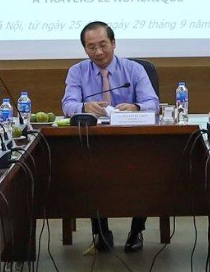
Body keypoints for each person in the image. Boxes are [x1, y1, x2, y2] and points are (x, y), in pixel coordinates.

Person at [64, 21, 161, 250]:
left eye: (103, 45)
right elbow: (68, 105)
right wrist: (84, 107)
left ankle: (136, 231)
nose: (98, 52)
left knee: (145, 171)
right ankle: (101, 232)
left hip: (133, 142)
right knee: (87, 171)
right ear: (85, 49)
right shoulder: (77, 71)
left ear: (114, 43)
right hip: (94, 143)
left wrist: (136, 107)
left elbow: (153, 103)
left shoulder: (134, 70)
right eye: (91, 47)